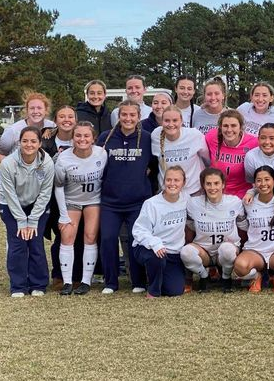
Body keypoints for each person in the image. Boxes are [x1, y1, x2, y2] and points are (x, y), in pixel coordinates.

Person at [97, 100, 156, 294]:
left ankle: (138, 281)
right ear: (118, 116)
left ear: (139, 117)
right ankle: (110, 282)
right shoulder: (106, 137)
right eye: (124, 114)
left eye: (132, 115)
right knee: (108, 239)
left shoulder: (147, 138)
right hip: (110, 202)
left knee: (134, 239)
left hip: (137, 201)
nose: (128, 118)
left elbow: (155, 165)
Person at [0, 126, 54, 297]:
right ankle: (18, 286)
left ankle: (38, 284)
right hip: (10, 204)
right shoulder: (8, 163)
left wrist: (33, 219)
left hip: (36, 204)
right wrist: (22, 221)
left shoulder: (47, 163)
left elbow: (45, 193)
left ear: (39, 143)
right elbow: (10, 194)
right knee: (18, 243)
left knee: (35, 242)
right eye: (25, 141)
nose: (29, 145)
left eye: (33, 141)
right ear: (19, 143)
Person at [54, 122, 107, 295]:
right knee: (67, 237)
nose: (82, 139)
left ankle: (86, 281)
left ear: (93, 138)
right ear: (72, 138)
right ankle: (67, 282)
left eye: (86, 136)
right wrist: (63, 214)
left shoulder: (102, 154)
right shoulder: (64, 158)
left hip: (93, 200)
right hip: (71, 201)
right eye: (78, 135)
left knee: (90, 236)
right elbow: (58, 187)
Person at [181, 168, 245, 293]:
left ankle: (226, 278)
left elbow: (244, 225)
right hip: (204, 250)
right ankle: (204, 276)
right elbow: (190, 224)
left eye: (216, 183)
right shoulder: (193, 203)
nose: (212, 187)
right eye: (208, 184)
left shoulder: (234, 202)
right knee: (186, 252)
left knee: (227, 249)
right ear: (203, 185)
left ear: (223, 184)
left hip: (226, 250)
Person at [234, 166, 274, 293]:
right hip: (255, 249)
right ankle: (256, 276)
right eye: (259, 180)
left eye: (267, 179)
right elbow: (243, 224)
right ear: (254, 183)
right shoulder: (248, 202)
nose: (263, 184)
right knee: (240, 267)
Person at [132, 166, 189, 298]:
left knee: (175, 291)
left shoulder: (186, 200)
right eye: (168, 180)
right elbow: (139, 230)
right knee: (157, 258)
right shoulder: (151, 204)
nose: (172, 184)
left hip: (173, 253)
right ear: (164, 181)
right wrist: (155, 244)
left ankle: (157, 274)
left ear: (183, 183)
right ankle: (153, 291)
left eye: (176, 180)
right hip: (148, 248)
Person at [41, 106, 77, 287]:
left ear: (76, 120)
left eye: (70, 116)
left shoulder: (81, 137)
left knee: (77, 236)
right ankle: (58, 274)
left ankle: (76, 275)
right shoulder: (46, 140)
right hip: (54, 195)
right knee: (60, 234)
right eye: (62, 116)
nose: (66, 120)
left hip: (77, 194)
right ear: (55, 120)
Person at [151, 106, 209, 195]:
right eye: (167, 120)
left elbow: (207, 158)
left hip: (194, 191)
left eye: (175, 120)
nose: (171, 124)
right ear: (162, 122)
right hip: (168, 192)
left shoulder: (194, 135)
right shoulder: (156, 135)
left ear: (181, 121)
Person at [205, 110, 259, 198]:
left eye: (233, 126)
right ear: (220, 127)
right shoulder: (211, 137)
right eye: (225, 126)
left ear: (240, 127)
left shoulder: (253, 143)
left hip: (242, 195)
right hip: (216, 193)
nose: (229, 130)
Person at [0, 92, 55, 163]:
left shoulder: (52, 126)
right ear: (27, 110)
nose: (35, 111)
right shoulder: (13, 130)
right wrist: (14, 166)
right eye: (32, 108)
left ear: (46, 110)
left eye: (39, 108)